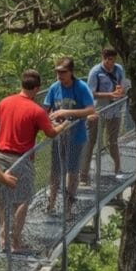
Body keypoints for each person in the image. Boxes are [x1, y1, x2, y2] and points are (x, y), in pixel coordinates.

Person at [0, 68, 66, 252]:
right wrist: (64, 124)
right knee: (22, 200)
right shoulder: (36, 110)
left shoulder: (6, 101)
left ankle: (3, 234)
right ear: (37, 89)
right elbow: (51, 133)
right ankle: (15, 242)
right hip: (22, 160)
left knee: (1, 198)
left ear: (21, 84)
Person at [43, 57, 94, 214]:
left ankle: (68, 207)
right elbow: (46, 110)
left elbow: (90, 110)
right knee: (55, 171)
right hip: (59, 137)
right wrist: (52, 123)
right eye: (58, 72)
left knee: (72, 172)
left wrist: (67, 112)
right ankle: (51, 203)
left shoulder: (81, 87)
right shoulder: (54, 88)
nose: (60, 75)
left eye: (63, 72)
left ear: (71, 72)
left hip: (76, 137)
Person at [84, 48, 126, 184]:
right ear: (103, 58)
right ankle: (84, 175)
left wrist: (120, 91)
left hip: (114, 110)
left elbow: (122, 85)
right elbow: (91, 93)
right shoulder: (95, 72)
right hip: (98, 111)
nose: (110, 63)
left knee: (112, 141)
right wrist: (109, 95)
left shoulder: (118, 69)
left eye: (113, 60)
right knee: (91, 141)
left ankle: (118, 170)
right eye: (108, 60)